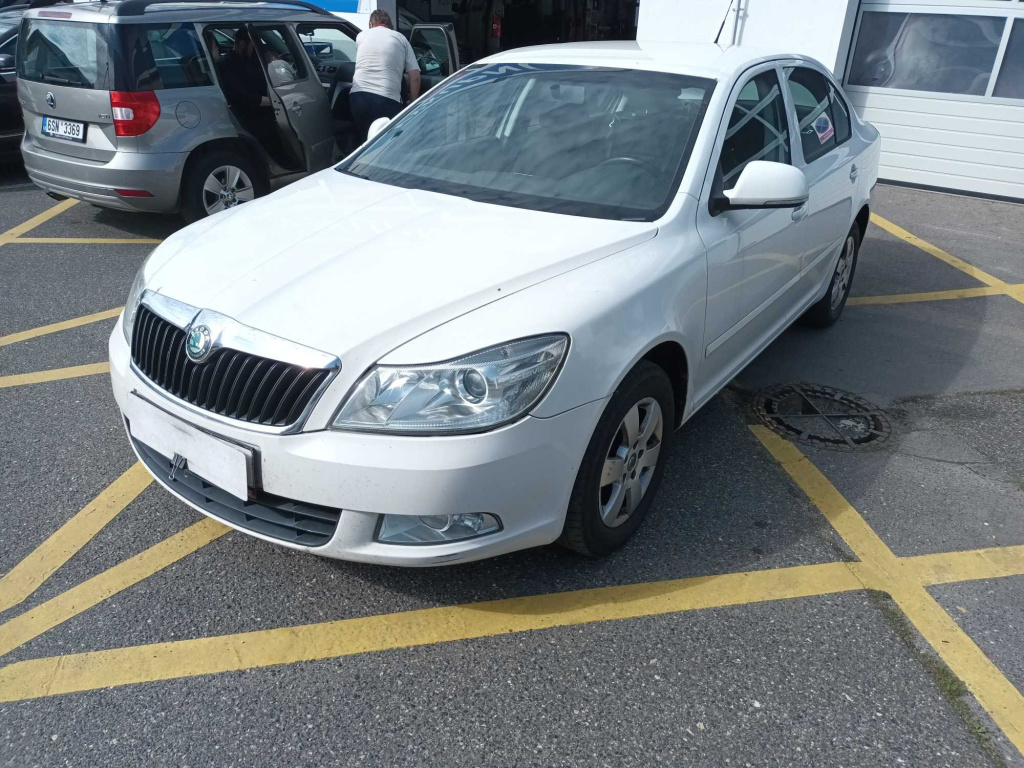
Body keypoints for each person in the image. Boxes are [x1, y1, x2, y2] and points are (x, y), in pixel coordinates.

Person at [212, 28, 291, 167]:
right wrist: (273, 101)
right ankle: (286, 165)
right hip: (250, 114)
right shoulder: (228, 65)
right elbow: (242, 98)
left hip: (260, 108)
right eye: (253, 46)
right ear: (243, 44)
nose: (255, 50)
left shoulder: (249, 60)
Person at [350, 10, 421, 140]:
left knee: (364, 142)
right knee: (388, 144)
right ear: (389, 24)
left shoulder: (361, 36)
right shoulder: (400, 38)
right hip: (386, 100)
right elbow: (415, 76)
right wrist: (414, 101)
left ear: (371, 24)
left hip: (358, 97)